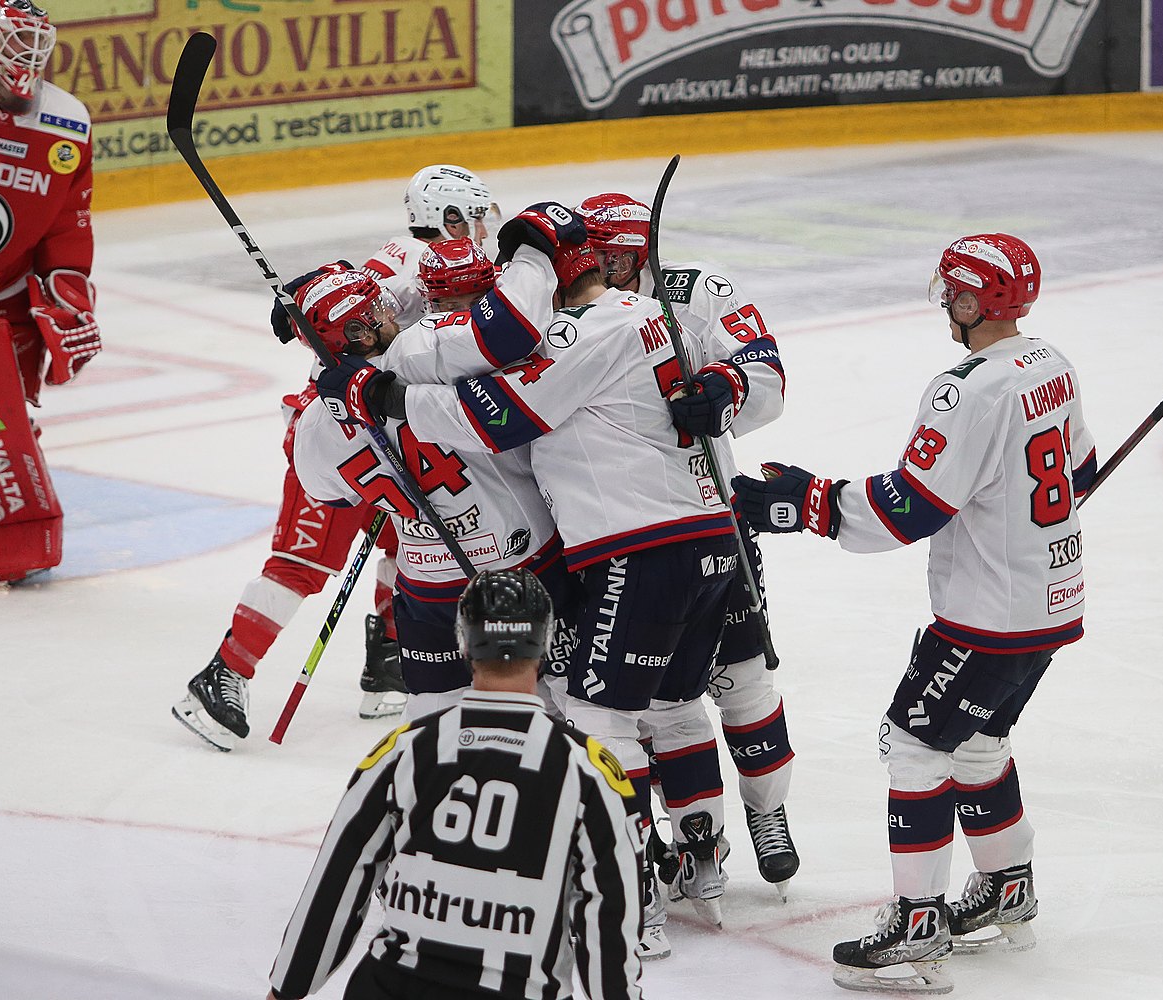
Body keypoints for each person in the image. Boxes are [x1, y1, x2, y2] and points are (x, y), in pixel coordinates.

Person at [325, 239, 741, 959]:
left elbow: (494, 417)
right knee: (672, 706)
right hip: (703, 530)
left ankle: (627, 886)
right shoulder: (647, 310)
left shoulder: (544, 340)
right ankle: (699, 859)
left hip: (615, 549)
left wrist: (363, 384)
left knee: (591, 717)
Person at [734, 233, 1097, 992]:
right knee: (976, 744)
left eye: (953, 292)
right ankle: (1008, 886)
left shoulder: (966, 387)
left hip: (986, 615)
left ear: (971, 300)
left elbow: (910, 508)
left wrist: (807, 502)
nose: (945, 303)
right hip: (1050, 602)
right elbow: (1081, 469)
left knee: (914, 746)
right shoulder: (1050, 364)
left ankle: (918, 923)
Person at [172, 168, 504, 749]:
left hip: (394, 424)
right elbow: (345, 307)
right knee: (304, 560)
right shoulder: (407, 256)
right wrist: (304, 295)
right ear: (450, 217)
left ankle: (389, 660)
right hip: (339, 430)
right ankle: (223, 672)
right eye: (475, 214)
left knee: (414, 535)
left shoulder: (459, 264)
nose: (485, 225)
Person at [268, 568, 644, 1000]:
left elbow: (336, 881)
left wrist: (286, 991)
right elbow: (609, 917)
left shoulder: (403, 751)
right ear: (544, 643)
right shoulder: (590, 770)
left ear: (463, 643)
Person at [576, 193, 801, 897]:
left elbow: (766, 371)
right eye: (597, 259)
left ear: (643, 252)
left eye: (619, 258)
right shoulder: (570, 310)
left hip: (714, 522)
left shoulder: (696, 290)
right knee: (655, 704)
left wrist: (724, 392)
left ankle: (769, 814)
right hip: (630, 534)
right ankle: (690, 840)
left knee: (742, 682)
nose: (608, 271)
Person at [295, 233, 570, 722]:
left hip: (425, 584)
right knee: (552, 708)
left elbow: (328, 494)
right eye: (376, 307)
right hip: (520, 563)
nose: (391, 307)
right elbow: (506, 328)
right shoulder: (426, 353)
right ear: (360, 333)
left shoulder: (316, 422)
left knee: (430, 719)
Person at [0, 0, 99, 584]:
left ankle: (20, 548)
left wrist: (67, 297)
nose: (23, 68)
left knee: (2, 424)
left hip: (6, 306)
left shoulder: (67, 123)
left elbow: (69, 222)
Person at [363, 164, 501, 328]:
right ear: (453, 222)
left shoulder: (396, 247)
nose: (484, 233)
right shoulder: (432, 271)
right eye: (477, 219)